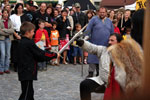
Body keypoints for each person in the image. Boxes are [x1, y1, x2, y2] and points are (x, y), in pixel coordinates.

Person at [77, 33, 143, 100]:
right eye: (109, 40)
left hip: (117, 85)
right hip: (102, 81)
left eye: (112, 40)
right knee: (84, 85)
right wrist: (82, 43)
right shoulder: (103, 50)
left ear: (118, 42)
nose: (109, 42)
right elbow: (92, 47)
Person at [16, 22, 58, 100]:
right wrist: (54, 55)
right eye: (32, 31)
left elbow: (36, 55)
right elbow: (40, 54)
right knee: (26, 94)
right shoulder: (29, 43)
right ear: (27, 32)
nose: (34, 33)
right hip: (27, 71)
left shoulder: (21, 42)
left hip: (24, 70)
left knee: (29, 92)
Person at [84, 7, 114, 77]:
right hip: (94, 44)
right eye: (101, 12)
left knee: (102, 60)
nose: (102, 14)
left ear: (106, 13)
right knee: (92, 59)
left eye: (103, 12)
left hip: (105, 45)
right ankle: (91, 73)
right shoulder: (93, 19)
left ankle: (99, 73)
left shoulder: (109, 21)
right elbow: (88, 29)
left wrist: (112, 41)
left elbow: (112, 33)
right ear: (98, 12)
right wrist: (85, 37)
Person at [0, 9, 14, 75]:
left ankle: (6, 68)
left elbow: (12, 30)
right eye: (5, 13)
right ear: (2, 13)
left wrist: (4, 30)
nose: (6, 14)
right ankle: (1, 69)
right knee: (2, 54)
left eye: (7, 13)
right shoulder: (0, 21)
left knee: (8, 54)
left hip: (8, 39)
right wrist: (8, 32)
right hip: (2, 39)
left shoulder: (10, 21)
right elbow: (0, 32)